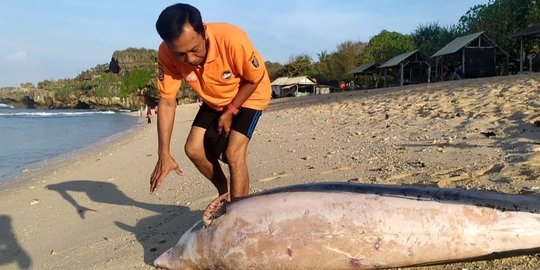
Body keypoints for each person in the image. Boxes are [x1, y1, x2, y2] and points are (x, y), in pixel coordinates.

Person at [149, 3, 271, 223]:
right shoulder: (167, 54)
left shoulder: (232, 39)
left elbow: (254, 78)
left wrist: (232, 110)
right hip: (214, 97)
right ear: (168, 46)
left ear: (203, 31)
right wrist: (163, 153)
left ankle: (239, 217)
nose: (191, 60)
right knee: (193, 149)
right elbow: (167, 101)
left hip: (249, 92)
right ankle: (227, 193)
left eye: (195, 49)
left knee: (234, 153)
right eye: (181, 55)